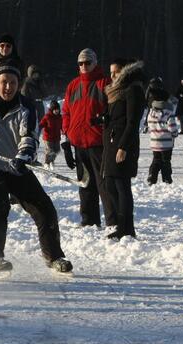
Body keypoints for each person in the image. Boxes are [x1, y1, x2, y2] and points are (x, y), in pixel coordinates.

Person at [0, 65, 72, 277]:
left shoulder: (26, 107)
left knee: (43, 207)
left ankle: (54, 256)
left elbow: (29, 136)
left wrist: (23, 156)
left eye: (13, 83)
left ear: (19, 85)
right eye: (4, 82)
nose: (8, 87)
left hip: (15, 165)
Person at [61, 48, 116, 228]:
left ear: (95, 63)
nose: (84, 66)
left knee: (104, 185)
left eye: (88, 62)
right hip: (78, 143)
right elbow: (66, 113)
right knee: (85, 185)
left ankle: (113, 222)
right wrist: (66, 139)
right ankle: (89, 221)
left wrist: (106, 122)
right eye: (81, 63)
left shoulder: (104, 83)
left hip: (98, 143)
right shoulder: (73, 86)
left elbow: (114, 111)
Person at [101, 58, 145, 240]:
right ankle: (122, 226)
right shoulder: (115, 92)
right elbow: (117, 117)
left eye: (116, 72)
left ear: (125, 71)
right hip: (112, 143)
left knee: (122, 185)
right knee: (111, 183)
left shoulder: (133, 89)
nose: (113, 76)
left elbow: (132, 122)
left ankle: (127, 228)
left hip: (123, 145)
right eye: (111, 72)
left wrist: (123, 147)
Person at [145, 85, 179, 184]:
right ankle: (167, 178)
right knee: (166, 161)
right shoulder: (168, 113)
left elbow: (149, 125)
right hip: (167, 143)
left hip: (154, 142)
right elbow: (172, 127)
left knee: (156, 160)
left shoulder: (151, 113)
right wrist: (175, 133)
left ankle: (152, 176)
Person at [39, 100, 62, 168]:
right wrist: (38, 128)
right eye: (55, 110)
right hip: (48, 137)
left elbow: (62, 126)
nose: (57, 111)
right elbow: (41, 124)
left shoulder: (60, 117)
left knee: (57, 150)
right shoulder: (47, 116)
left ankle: (51, 160)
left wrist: (65, 131)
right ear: (52, 109)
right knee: (50, 150)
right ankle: (47, 163)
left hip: (57, 137)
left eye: (58, 109)